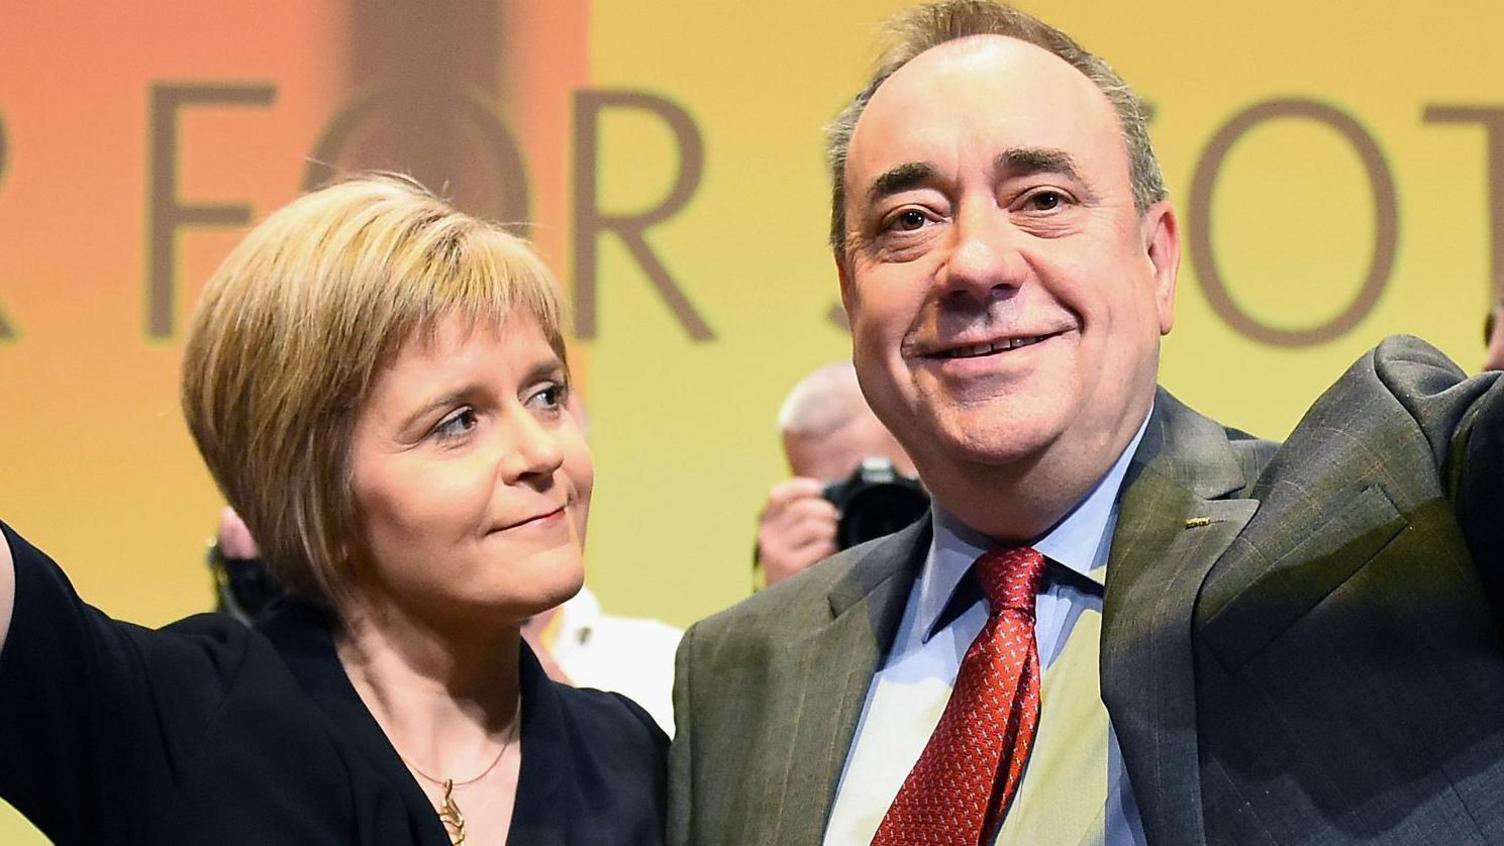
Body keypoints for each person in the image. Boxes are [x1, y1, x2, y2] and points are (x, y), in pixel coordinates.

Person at [668, 3, 1504, 845]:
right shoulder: (736, 673)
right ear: (852, 296)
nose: (976, 263)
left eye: (1042, 198)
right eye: (910, 220)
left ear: (1157, 260)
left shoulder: (1390, 519)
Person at [0, 174, 666, 845]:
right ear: (315, 489)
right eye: (459, 421)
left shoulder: (634, 761)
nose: (541, 451)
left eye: (546, 395)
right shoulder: (181, 721)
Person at [756, 361, 917, 587]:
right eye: (846, 494)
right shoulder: (802, 601)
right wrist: (785, 598)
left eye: (891, 487)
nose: (876, 518)